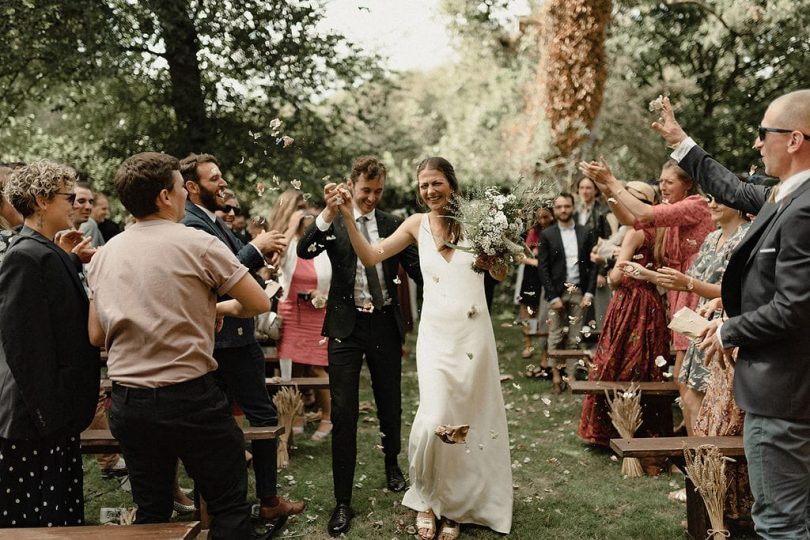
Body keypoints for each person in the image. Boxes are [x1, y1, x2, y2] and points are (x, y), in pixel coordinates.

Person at [86, 152, 274, 539]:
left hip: (129, 401)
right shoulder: (198, 243)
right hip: (190, 399)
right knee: (228, 506)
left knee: (152, 509)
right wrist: (211, 307)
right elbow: (258, 303)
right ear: (164, 196)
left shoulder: (104, 255)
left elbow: (96, 335)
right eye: (178, 187)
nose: (185, 196)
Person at [653, 91, 810, 538]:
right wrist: (682, 141)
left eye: (764, 134)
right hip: (790, 391)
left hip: (785, 394)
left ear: (795, 139)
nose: (758, 145)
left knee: (780, 523)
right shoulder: (785, 195)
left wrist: (729, 330)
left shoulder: (804, 209)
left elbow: (795, 308)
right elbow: (732, 187)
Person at [332, 156, 513, 540]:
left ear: (451, 183)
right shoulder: (415, 225)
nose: (429, 191)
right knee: (434, 420)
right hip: (435, 338)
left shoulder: (478, 221)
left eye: (436, 183)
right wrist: (348, 216)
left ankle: (455, 507)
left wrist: (493, 258)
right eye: (423, 185)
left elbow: (501, 273)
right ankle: (429, 497)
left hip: (473, 334)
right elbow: (370, 256)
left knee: (467, 421)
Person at [296, 156, 422, 537]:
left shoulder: (391, 224)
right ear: (351, 185)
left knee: (389, 401)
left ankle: (392, 465)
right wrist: (327, 214)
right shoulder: (333, 223)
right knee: (345, 410)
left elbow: (418, 269)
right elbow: (304, 251)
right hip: (345, 328)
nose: (371, 198)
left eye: (378, 191)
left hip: (384, 322)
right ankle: (342, 501)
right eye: (366, 190)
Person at [179, 152, 304, 527]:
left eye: (220, 176)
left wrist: (264, 264)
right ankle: (234, 505)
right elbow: (225, 270)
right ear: (191, 187)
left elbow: (238, 264)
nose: (222, 183)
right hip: (219, 342)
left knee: (257, 417)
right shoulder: (190, 223)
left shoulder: (213, 221)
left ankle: (264, 500)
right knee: (234, 420)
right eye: (214, 178)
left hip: (236, 338)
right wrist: (256, 246)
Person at [579, 158, 714, 433]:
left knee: (690, 378)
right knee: (682, 377)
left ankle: (697, 443)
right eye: (661, 182)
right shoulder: (671, 209)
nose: (663, 187)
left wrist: (613, 181)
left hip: (696, 292)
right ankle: (690, 441)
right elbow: (631, 220)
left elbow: (641, 214)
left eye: (669, 182)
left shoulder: (695, 205)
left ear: (687, 184)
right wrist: (606, 187)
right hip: (678, 293)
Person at [0, 161, 100, 528]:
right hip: (36, 423)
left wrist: (73, 259)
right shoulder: (23, 255)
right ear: (42, 201)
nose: (74, 205)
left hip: (56, 418)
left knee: (61, 515)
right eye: (67, 197)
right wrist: (49, 415)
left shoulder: (46, 250)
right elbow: (23, 346)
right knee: (39, 523)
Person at [625, 197, 750, 432]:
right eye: (710, 199)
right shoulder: (712, 237)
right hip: (701, 323)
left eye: (720, 200)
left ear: (738, 203)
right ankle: (697, 464)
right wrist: (647, 275)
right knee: (690, 395)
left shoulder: (747, 237)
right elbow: (688, 281)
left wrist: (690, 284)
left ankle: (713, 462)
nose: (712, 205)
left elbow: (739, 292)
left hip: (726, 324)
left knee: (717, 404)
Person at [577, 181, 671, 447]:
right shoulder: (661, 232)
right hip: (651, 302)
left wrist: (609, 275)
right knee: (647, 359)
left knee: (615, 357)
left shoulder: (635, 233)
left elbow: (617, 276)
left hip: (629, 301)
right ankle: (645, 426)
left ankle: (610, 429)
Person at [276, 210, 332, 440]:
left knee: (316, 367)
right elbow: (274, 259)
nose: (308, 229)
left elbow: (336, 279)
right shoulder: (289, 246)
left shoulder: (325, 248)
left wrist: (321, 294)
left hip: (317, 311)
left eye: (312, 225)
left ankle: (328, 417)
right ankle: (295, 415)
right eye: (304, 224)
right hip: (290, 311)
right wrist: (290, 226)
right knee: (293, 367)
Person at [537, 192, 598, 392]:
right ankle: (556, 376)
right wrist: (552, 296)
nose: (563, 210)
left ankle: (571, 377)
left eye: (566, 206)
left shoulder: (585, 232)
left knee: (574, 336)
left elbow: (593, 264)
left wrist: (589, 293)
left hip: (579, 291)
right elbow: (542, 267)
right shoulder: (547, 234)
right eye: (559, 207)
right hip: (556, 292)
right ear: (554, 211)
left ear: (573, 207)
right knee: (554, 335)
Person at [515, 202, 553, 361]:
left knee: (544, 314)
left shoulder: (555, 233)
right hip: (531, 276)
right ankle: (528, 343)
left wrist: (533, 259)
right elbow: (523, 254)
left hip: (547, 276)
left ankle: (545, 352)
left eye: (545, 217)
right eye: (539, 218)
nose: (542, 221)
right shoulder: (532, 232)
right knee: (527, 310)